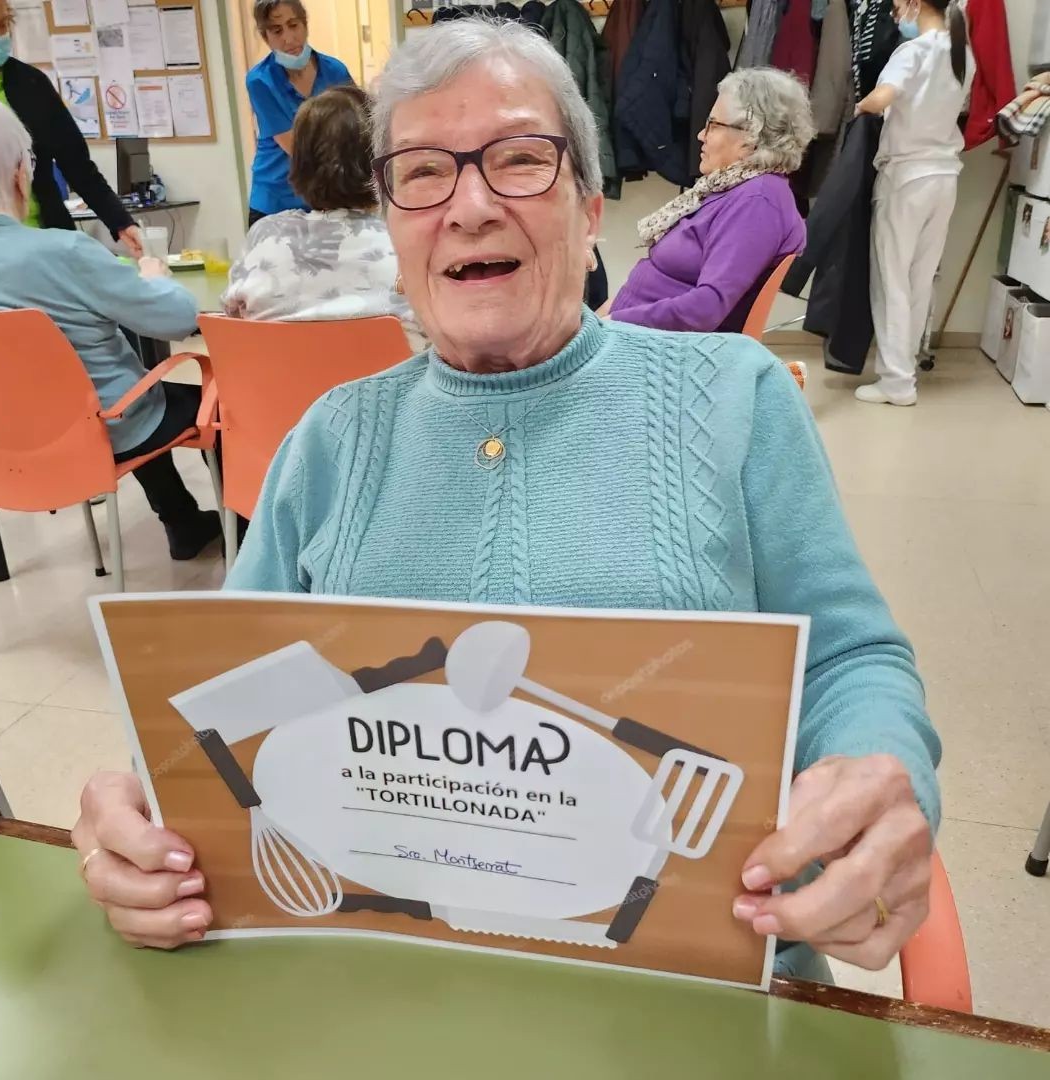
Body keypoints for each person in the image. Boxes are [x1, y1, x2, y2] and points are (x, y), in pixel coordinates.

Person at [73, 19, 939, 980]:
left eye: (521, 160)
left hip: (691, 993)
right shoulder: (330, 439)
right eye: (422, 173)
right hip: (384, 988)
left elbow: (851, 659)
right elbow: (224, 698)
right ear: (392, 227)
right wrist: (148, 821)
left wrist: (877, 774)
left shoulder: (735, 398)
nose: (471, 206)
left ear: (589, 209)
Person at [0, 97, 220, 559]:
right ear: (20, 175)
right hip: (99, 431)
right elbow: (178, 318)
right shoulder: (63, 253)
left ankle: (182, 520)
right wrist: (154, 277)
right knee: (191, 401)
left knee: (125, 392)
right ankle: (244, 534)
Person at [607, 68, 813, 334]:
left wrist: (611, 324)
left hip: (663, 346)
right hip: (635, 333)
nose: (701, 135)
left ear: (750, 137)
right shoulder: (732, 188)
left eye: (713, 125)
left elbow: (706, 309)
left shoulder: (758, 201)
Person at [223, 85, 425, 351]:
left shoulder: (264, 237)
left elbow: (233, 316)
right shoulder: (405, 243)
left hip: (281, 377)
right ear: (382, 163)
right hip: (389, 377)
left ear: (299, 163)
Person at [853, 0, 973, 406]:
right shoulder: (963, 54)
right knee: (920, 280)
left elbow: (882, 97)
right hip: (944, 176)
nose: (895, 13)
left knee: (892, 280)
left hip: (905, 178)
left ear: (916, 4)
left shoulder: (913, 51)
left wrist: (862, 105)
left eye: (898, 5)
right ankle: (904, 373)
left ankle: (896, 382)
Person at [0, 0, 141, 255]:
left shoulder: (31, 83)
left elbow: (77, 164)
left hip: (41, 238)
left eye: (3, 25)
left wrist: (121, 221)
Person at [245, 0, 352, 228]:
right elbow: (295, 146)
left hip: (328, 200)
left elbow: (356, 126)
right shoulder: (260, 81)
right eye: (277, 31)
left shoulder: (335, 71)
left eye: (293, 25)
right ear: (266, 37)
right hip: (275, 202)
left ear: (305, 24)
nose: (288, 38)